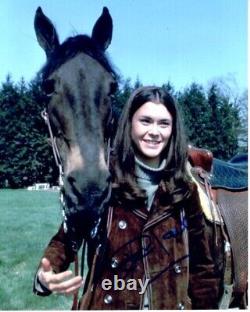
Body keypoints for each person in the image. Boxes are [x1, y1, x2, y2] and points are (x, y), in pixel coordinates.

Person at [34, 86, 220, 309]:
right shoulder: (104, 182)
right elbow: (66, 239)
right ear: (129, 124)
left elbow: (202, 268)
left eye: (164, 123)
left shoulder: (184, 189)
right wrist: (45, 277)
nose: (154, 131)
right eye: (145, 121)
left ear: (173, 130)